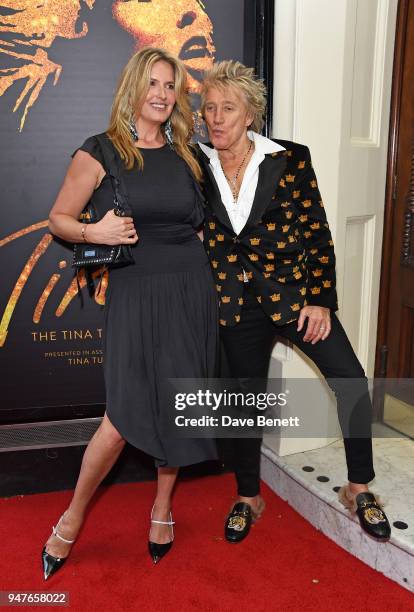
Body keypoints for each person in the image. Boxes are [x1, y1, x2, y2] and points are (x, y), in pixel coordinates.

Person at [196, 60, 391, 543]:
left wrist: (321, 299)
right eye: (210, 109)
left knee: (350, 378)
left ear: (250, 115)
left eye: (228, 108)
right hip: (237, 305)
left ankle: (359, 487)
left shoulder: (289, 158)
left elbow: (316, 232)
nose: (216, 118)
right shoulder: (195, 165)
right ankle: (248, 496)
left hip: (296, 299)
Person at [44, 46, 219, 578]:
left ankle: (162, 509)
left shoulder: (190, 153)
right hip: (136, 291)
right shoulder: (101, 150)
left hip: (191, 288)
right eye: (154, 83)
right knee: (120, 419)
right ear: (134, 89)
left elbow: (201, 224)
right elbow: (59, 219)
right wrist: (93, 231)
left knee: (178, 405)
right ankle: (71, 519)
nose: (163, 94)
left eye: (171, 85)